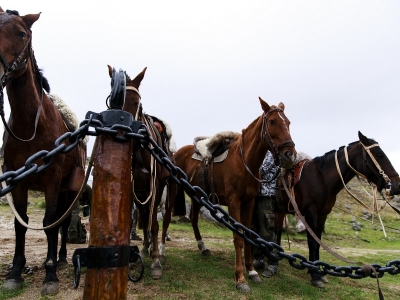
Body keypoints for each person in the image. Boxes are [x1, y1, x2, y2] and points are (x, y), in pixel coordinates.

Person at [252, 150, 280, 278]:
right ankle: (258, 259)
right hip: (253, 195)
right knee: (253, 228)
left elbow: (260, 171)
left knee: (266, 230)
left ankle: (273, 262)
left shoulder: (271, 154)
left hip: (265, 196)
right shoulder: (259, 152)